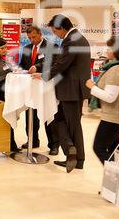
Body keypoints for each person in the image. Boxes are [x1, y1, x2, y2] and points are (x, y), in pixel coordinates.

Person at [33, 14, 91, 173]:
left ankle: (75, 155)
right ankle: (73, 152)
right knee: (62, 120)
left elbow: (62, 64)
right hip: (75, 88)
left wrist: (44, 75)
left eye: (54, 31)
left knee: (69, 123)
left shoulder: (71, 40)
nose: (54, 34)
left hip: (71, 89)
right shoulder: (78, 37)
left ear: (61, 28)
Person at [18, 26, 59, 155]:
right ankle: (33, 140)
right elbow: (23, 65)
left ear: (40, 34)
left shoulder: (52, 47)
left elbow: (53, 63)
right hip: (31, 88)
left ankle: (54, 145)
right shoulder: (27, 48)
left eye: (34, 37)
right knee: (30, 114)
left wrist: (37, 67)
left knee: (48, 114)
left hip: (46, 87)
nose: (32, 40)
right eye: (29, 38)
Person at [86, 35, 119, 164]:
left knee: (99, 147)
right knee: (115, 150)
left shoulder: (115, 70)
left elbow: (110, 97)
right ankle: (116, 181)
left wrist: (92, 87)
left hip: (112, 118)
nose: (106, 51)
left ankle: (116, 177)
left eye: (110, 48)